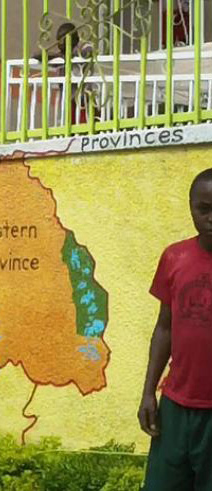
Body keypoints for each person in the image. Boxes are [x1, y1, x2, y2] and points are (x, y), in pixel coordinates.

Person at [139, 169, 212, 489]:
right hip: (175, 406)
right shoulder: (175, 257)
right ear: (191, 208)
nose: (211, 218)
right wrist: (148, 392)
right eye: (204, 208)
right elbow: (164, 329)